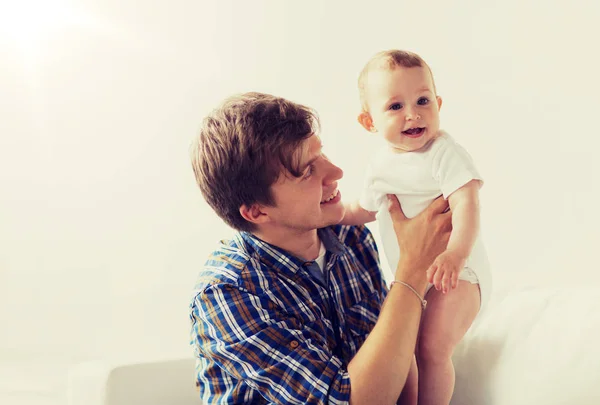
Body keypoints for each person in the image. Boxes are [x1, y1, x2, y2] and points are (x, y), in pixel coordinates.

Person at [188, 92, 452, 404]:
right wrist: (412, 270)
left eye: (321, 155)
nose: (336, 173)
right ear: (257, 212)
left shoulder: (352, 240)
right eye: (307, 171)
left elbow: (395, 352)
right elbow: (347, 401)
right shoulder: (227, 293)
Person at [341, 49, 492, 405]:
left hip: (459, 274)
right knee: (403, 352)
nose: (413, 114)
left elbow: (466, 203)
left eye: (423, 100)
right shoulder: (379, 165)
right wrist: (328, 214)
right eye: (395, 107)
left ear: (438, 103)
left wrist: (455, 254)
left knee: (431, 347)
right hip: (414, 282)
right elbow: (361, 208)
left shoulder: (444, 152)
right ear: (369, 122)